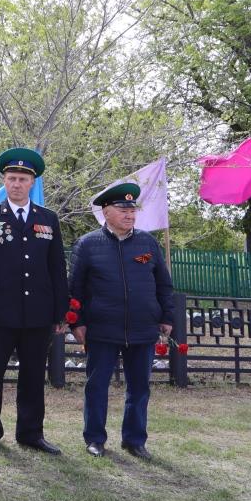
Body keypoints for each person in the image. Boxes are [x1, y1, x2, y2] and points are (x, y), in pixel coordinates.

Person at [0, 148, 68, 456]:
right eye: (11, 178)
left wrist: (59, 312)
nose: (16, 183)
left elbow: (57, 269)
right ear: (4, 181)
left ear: (32, 182)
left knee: (32, 375)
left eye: (23, 179)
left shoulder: (48, 219)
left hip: (38, 312)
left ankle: (30, 433)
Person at [69, 182, 174, 460]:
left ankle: (134, 440)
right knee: (97, 386)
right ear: (106, 211)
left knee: (139, 388)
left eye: (132, 209)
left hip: (142, 329)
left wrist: (166, 316)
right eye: (122, 209)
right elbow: (75, 289)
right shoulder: (88, 244)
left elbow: (163, 284)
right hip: (102, 328)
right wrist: (76, 322)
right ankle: (94, 439)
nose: (129, 214)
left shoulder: (147, 242)